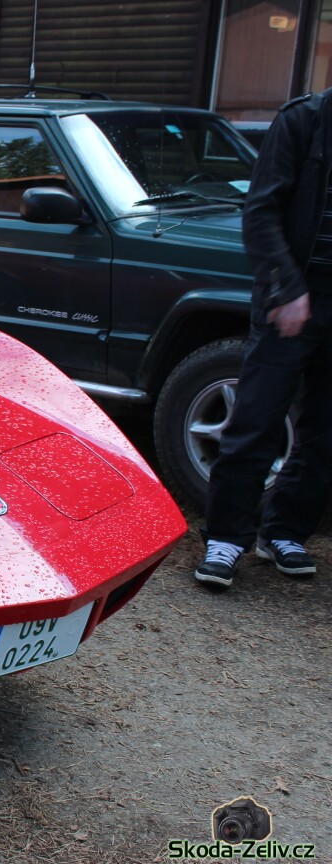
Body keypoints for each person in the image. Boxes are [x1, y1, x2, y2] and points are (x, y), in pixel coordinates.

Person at [194, 87, 332, 590]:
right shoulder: (304, 121)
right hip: (292, 294)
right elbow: (261, 210)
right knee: (257, 420)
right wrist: (287, 287)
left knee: (326, 432)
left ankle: (284, 531)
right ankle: (226, 538)